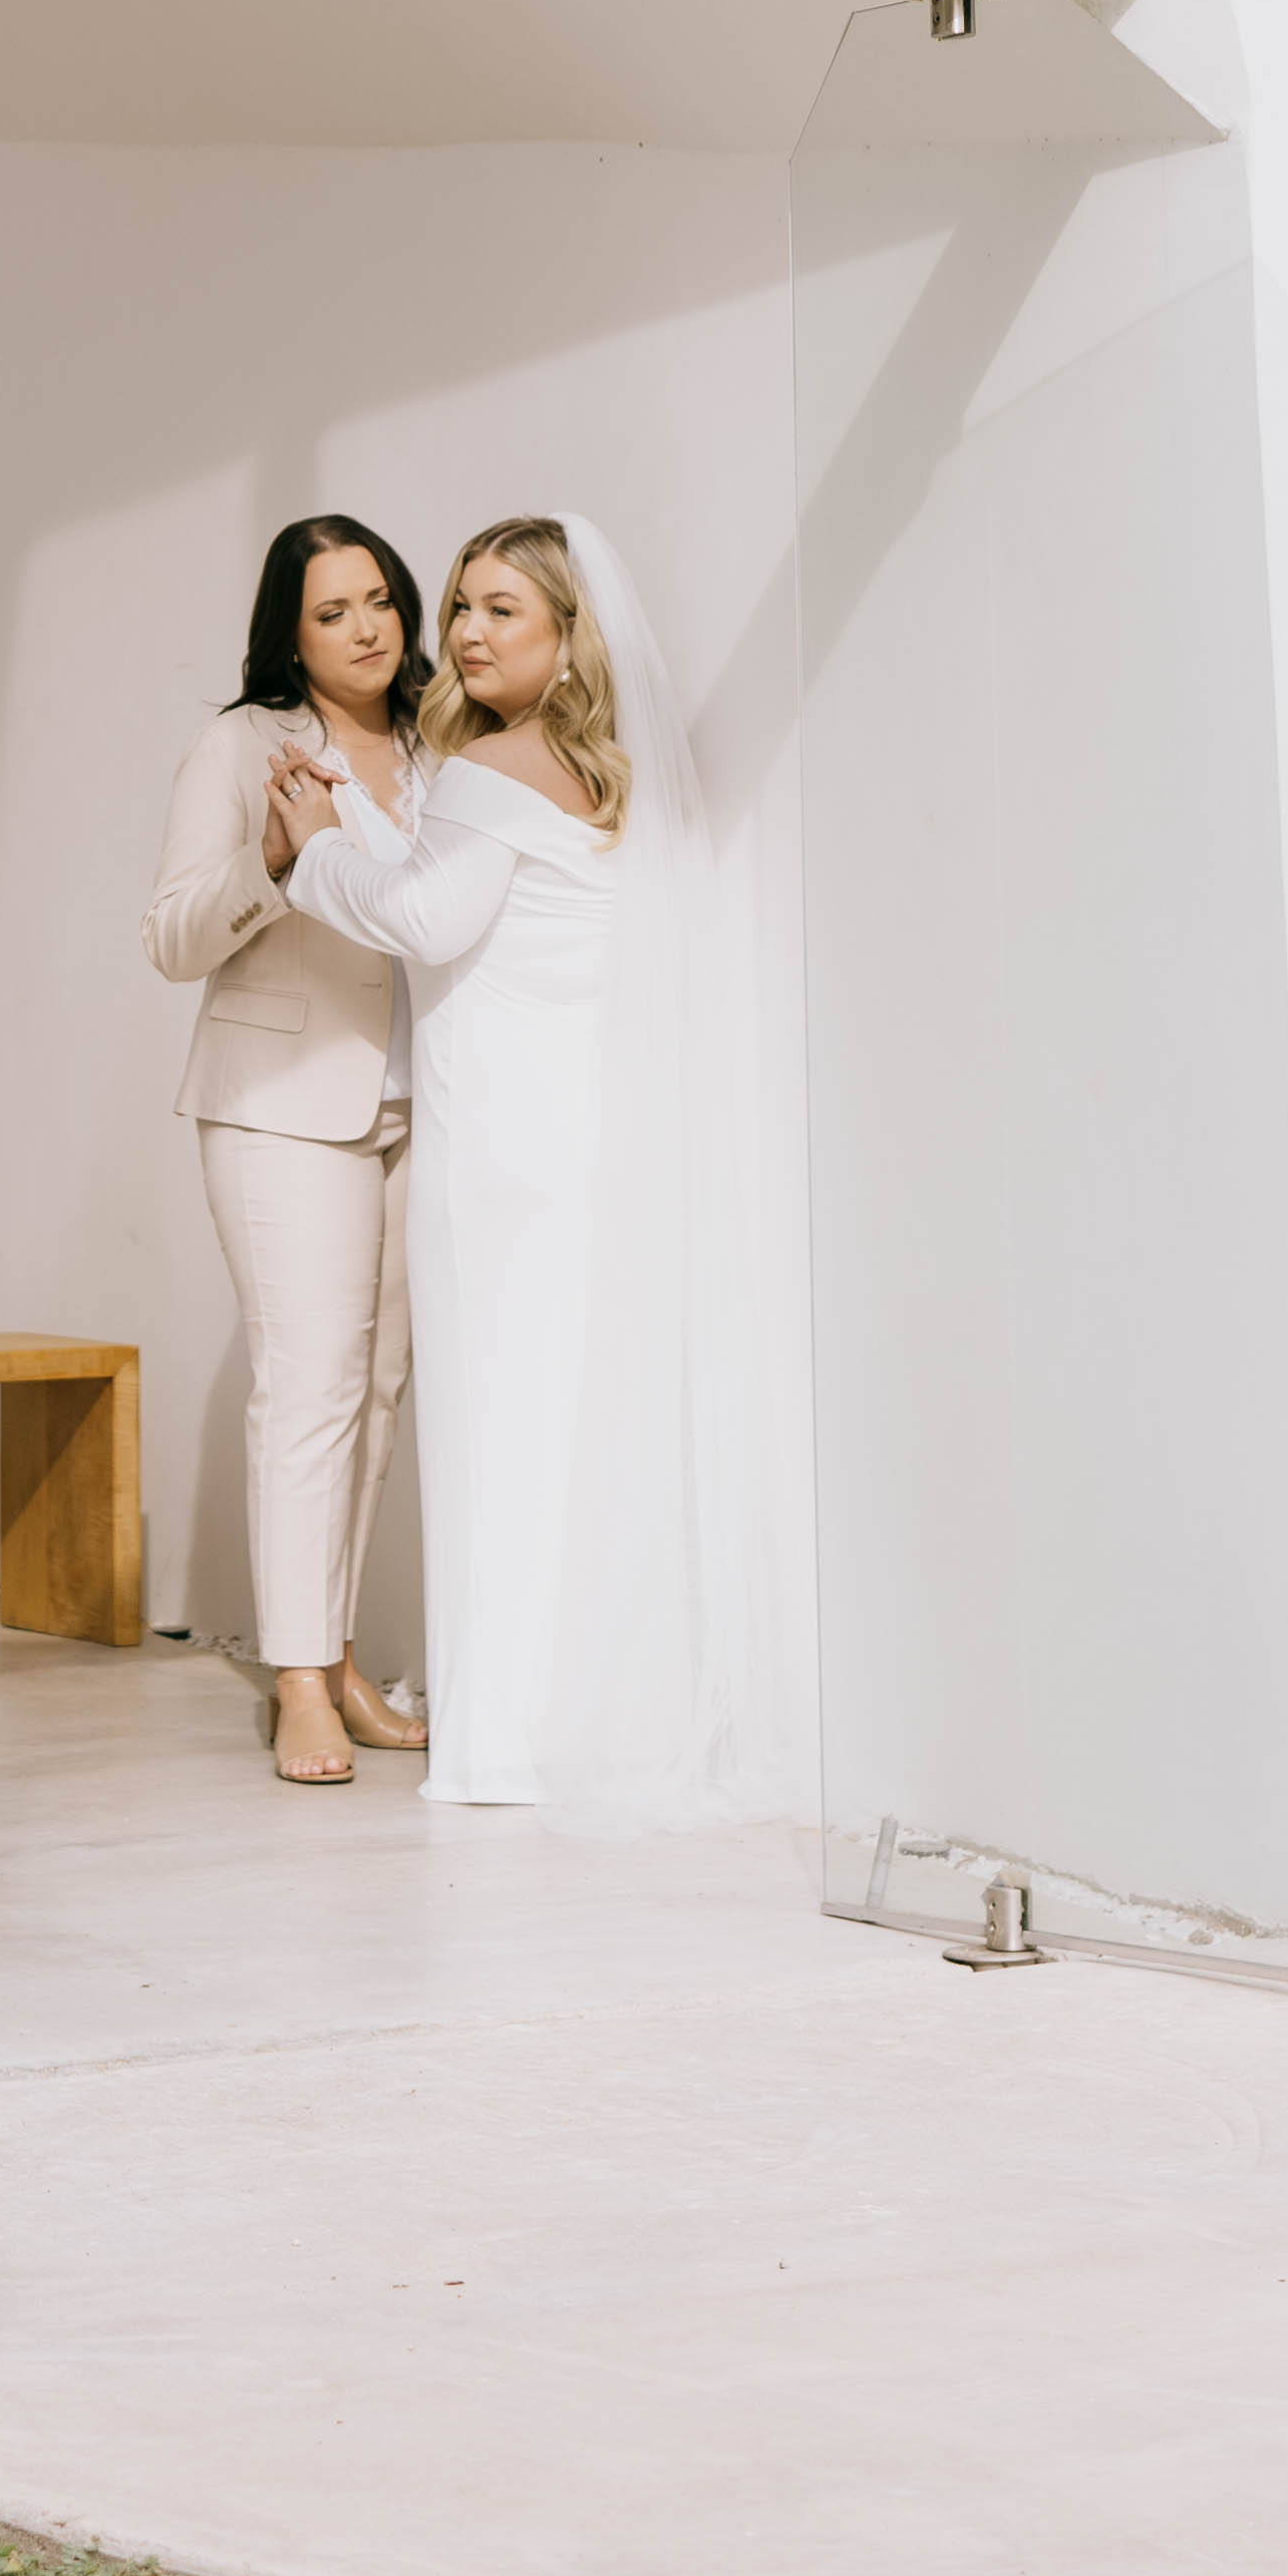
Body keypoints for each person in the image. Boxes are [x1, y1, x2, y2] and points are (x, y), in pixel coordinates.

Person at [277, 511, 798, 1827]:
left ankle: (506, 1740)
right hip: (585, 1149)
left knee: (497, 1429)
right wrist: (361, 814)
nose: (462, 630)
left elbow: (420, 917)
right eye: (460, 604)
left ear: (568, 635)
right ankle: (593, 1714)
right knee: (577, 1426)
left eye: (502, 607)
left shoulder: (490, 764)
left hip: (498, 1157)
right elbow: (467, 892)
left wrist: (309, 854)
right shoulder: (603, 776)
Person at [144, 517, 437, 1787]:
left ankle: (341, 1654)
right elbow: (169, 937)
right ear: (290, 630)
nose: (367, 628)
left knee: (375, 1396)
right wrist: (269, 853)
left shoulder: (443, 737)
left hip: (422, 1103)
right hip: (276, 1102)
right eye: (333, 611)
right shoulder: (244, 744)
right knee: (309, 1383)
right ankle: (297, 1683)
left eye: (379, 600)